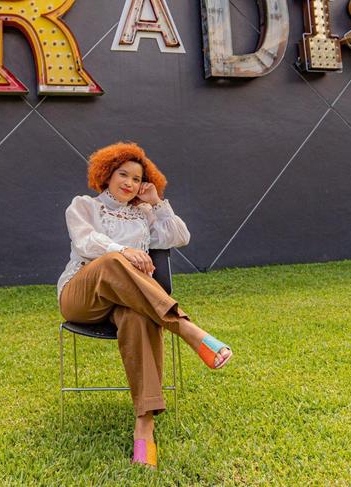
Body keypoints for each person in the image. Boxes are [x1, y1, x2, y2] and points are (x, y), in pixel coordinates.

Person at [57, 141, 232, 469]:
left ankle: (145, 426)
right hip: (83, 295)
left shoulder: (144, 215)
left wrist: (158, 203)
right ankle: (188, 330)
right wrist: (122, 251)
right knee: (111, 261)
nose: (129, 183)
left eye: (137, 179)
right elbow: (85, 242)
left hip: (126, 300)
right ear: (107, 174)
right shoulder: (85, 206)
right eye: (123, 174)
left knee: (139, 318)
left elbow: (180, 237)